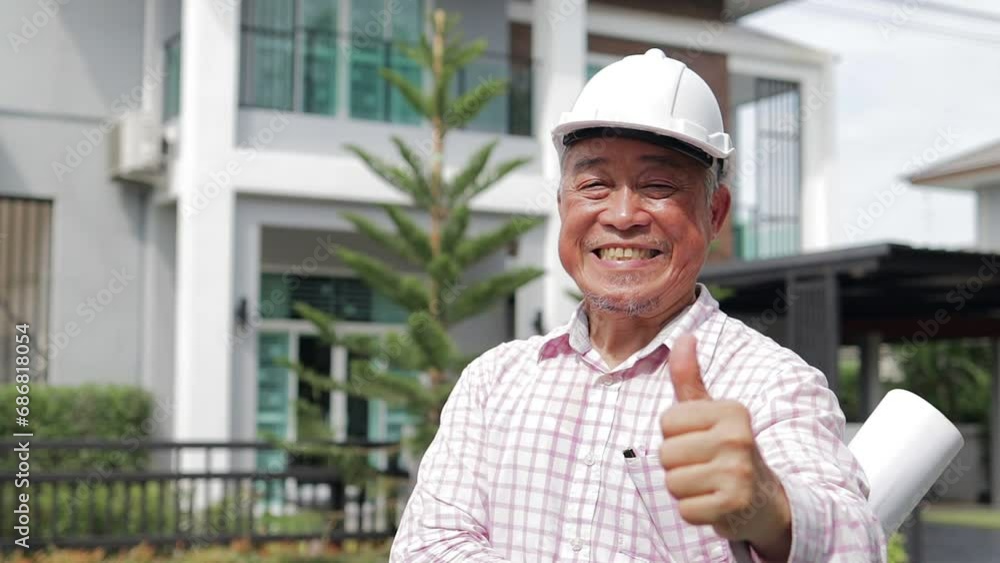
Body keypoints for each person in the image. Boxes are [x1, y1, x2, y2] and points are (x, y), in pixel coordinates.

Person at [390, 49, 886, 562]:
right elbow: (427, 548)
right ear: (562, 205)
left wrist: (770, 509)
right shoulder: (493, 382)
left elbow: (858, 542)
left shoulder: (773, 384)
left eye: (658, 186)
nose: (623, 215)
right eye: (594, 185)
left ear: (716, 213)